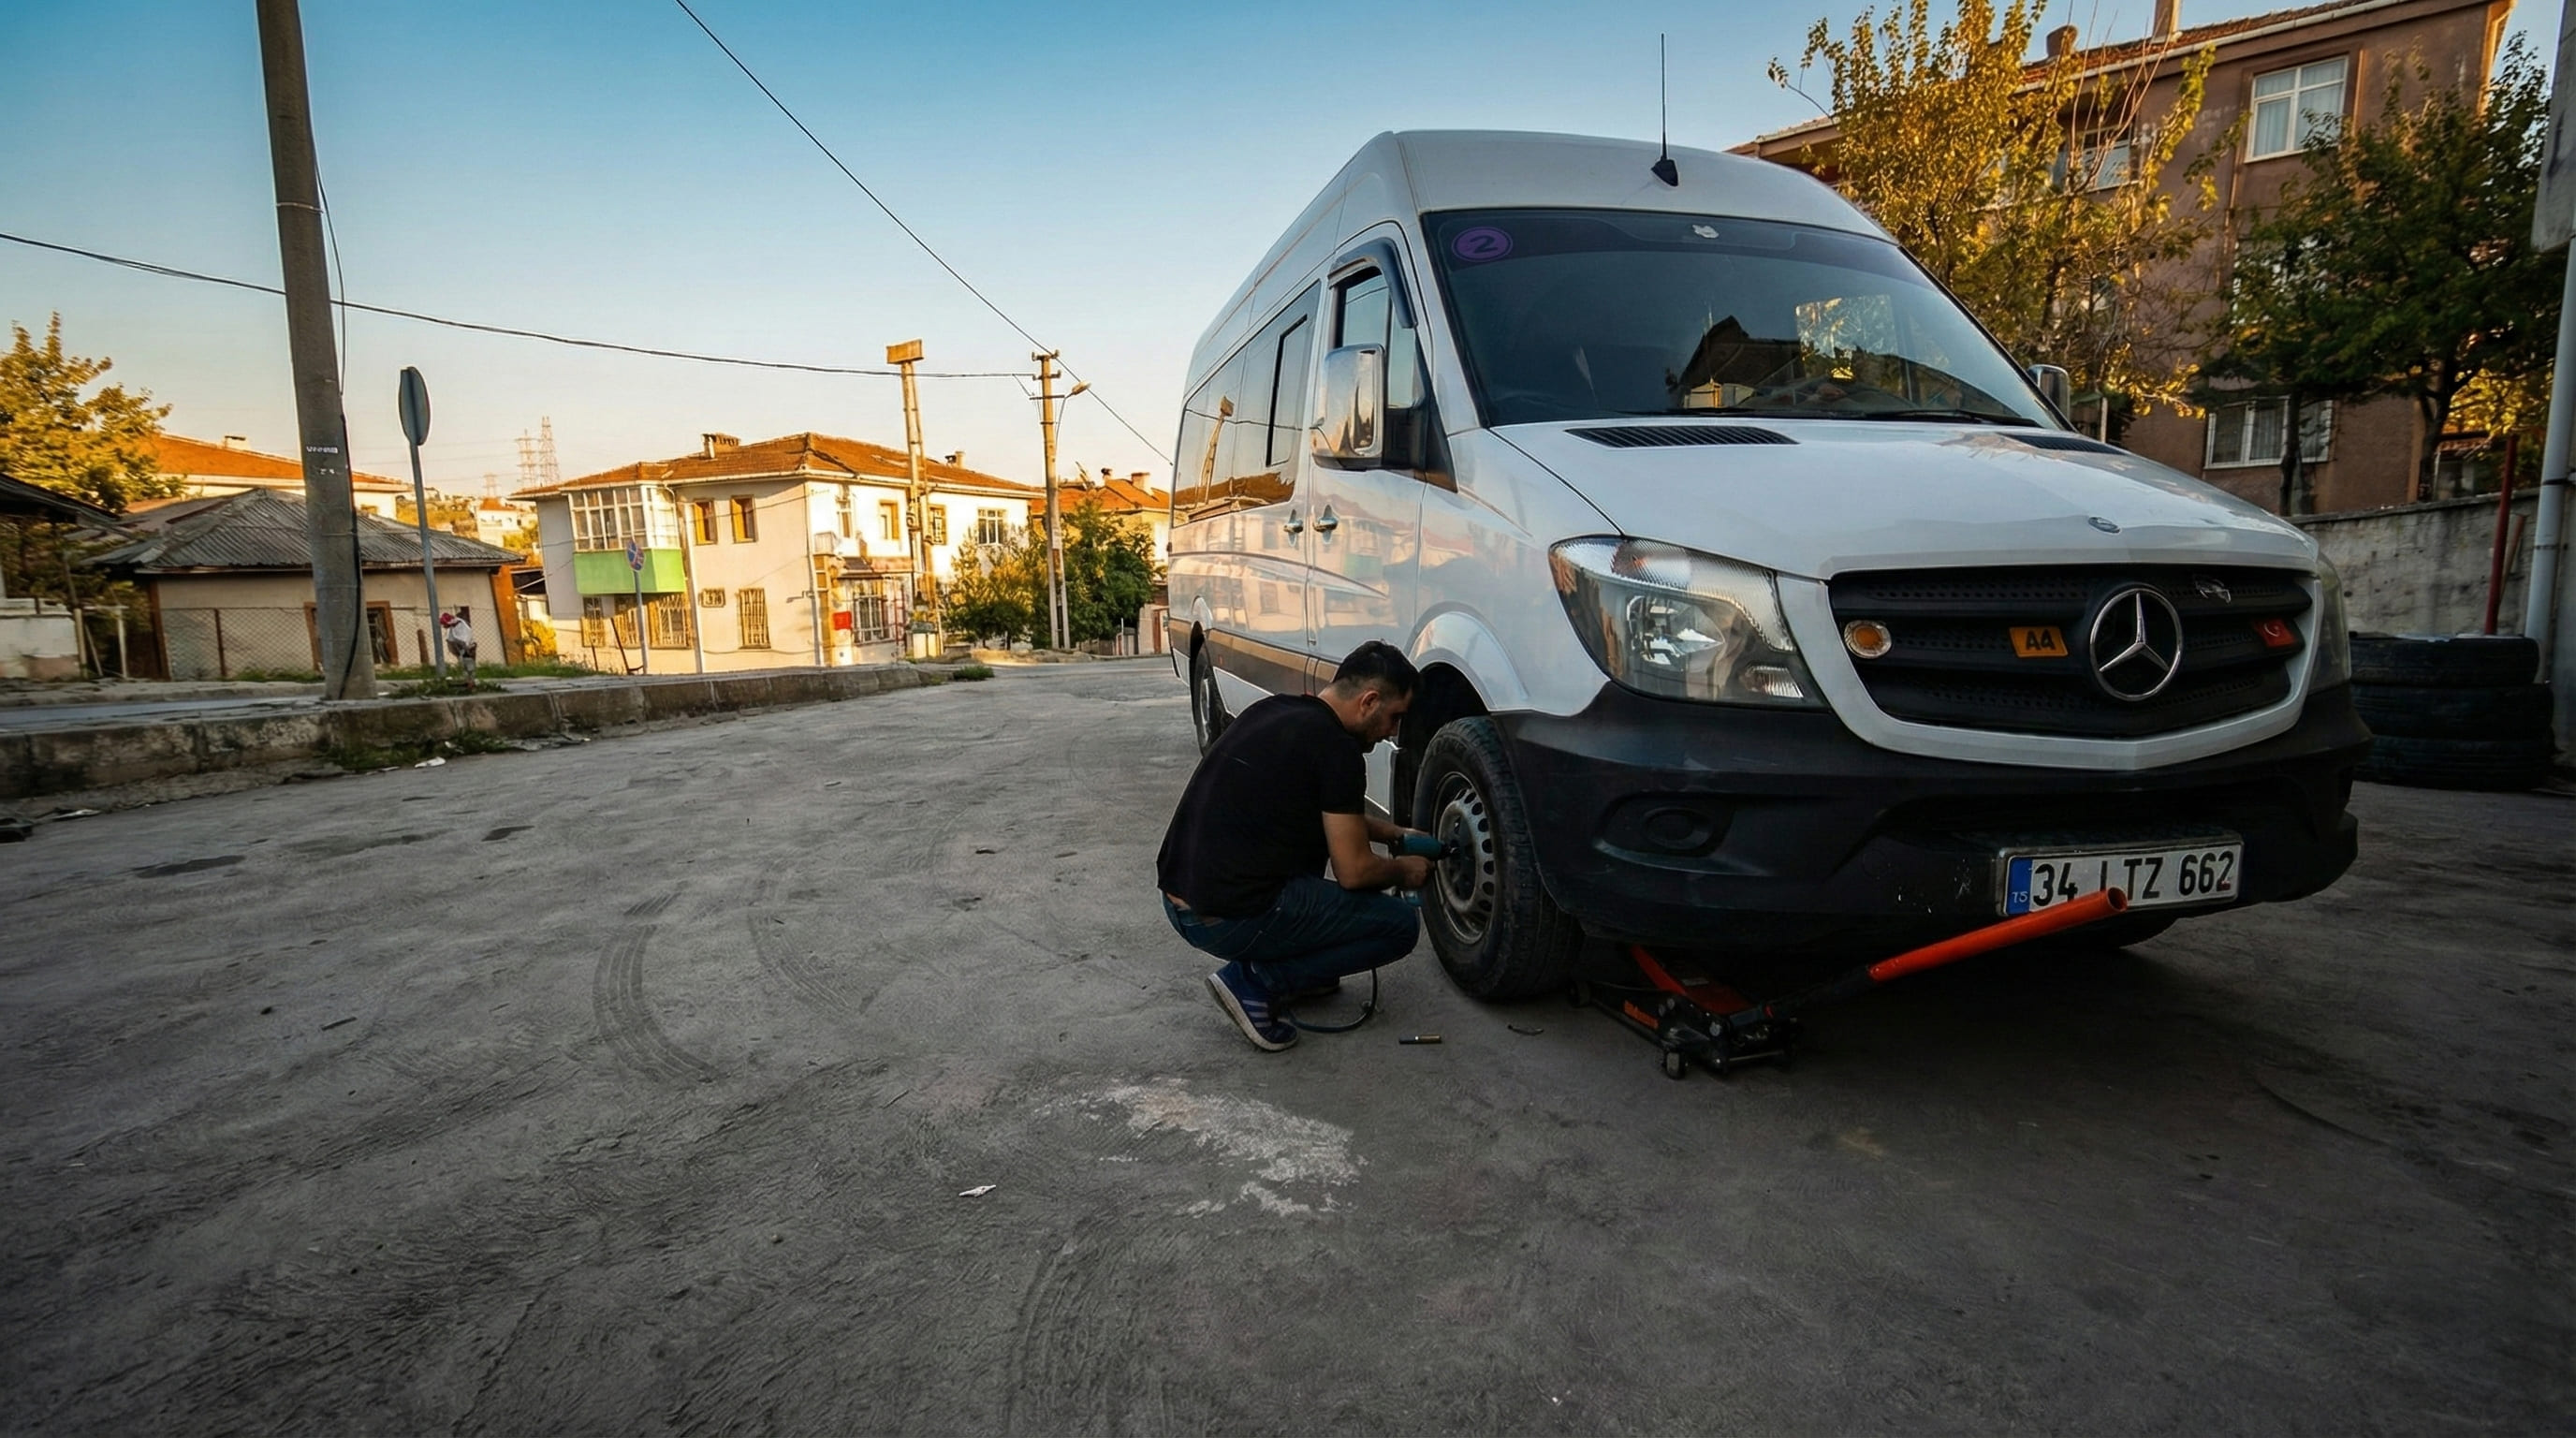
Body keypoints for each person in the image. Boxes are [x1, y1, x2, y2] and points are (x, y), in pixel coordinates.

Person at [1157, 640, 1433, 1051]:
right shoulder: (1338, 751)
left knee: (1309, 870)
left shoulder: (1276, 712)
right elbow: (1354, 872)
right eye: (1394, 718)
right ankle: (1255, 982)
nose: (1393, 732)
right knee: (1399, 927)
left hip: (1181, 897)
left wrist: (1395, 834)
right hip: (1222, 916)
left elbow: (1332, 814)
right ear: (1369, 701)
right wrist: (1405, 870)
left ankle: (1304, 971)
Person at [437, 611, 478, 687]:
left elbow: (464, 640)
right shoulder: (454, 628)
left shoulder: (462, 627)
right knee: (464, 665)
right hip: (461, 649)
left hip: (467, 649)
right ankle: (468, 681)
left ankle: (471, 682)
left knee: (469, 665)